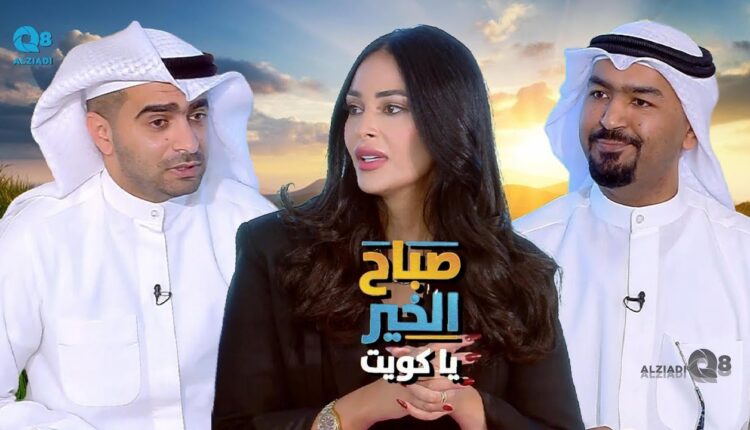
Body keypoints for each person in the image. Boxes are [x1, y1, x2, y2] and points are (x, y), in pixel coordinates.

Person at [213, 25, 584, 430]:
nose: (363, 128)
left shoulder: (518, 271)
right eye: (355, 108)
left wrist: (471, 407)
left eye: (392, 108)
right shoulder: (275, 249)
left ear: (450, 120)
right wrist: (357, 410)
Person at [0, 21, 276, 429]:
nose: (189, 142)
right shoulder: (36, 237)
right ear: (102, 133)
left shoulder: (250, 222)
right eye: (159, 122)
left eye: (197, 115)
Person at [514, 20, 750, 429]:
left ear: (690, 130)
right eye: (599, 94)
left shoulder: (742, 257)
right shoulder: (520, 254)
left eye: (640, 101)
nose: (610, 118)